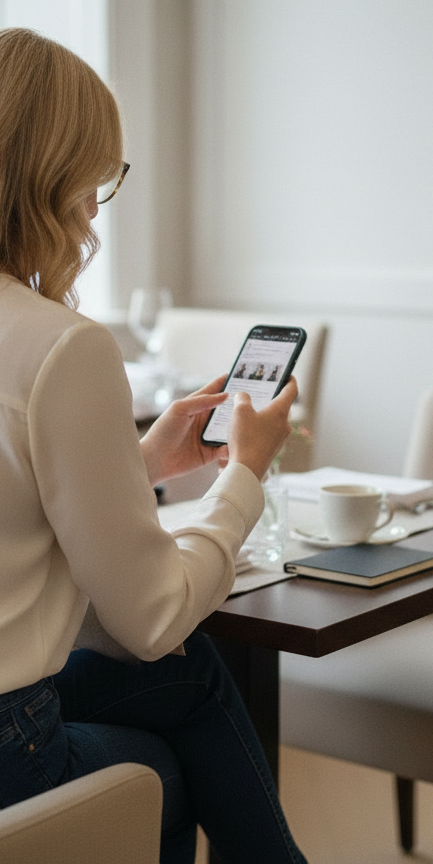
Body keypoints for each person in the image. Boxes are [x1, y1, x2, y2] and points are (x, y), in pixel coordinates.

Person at [0, 28, 308, 864]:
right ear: (48, 175)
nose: (97, 207)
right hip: (6, 749)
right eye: (92, 176)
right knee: (168, 748)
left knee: (189, 680)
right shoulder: (62, 344)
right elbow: (150, 617)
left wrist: (139, 466)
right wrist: (244, 472)